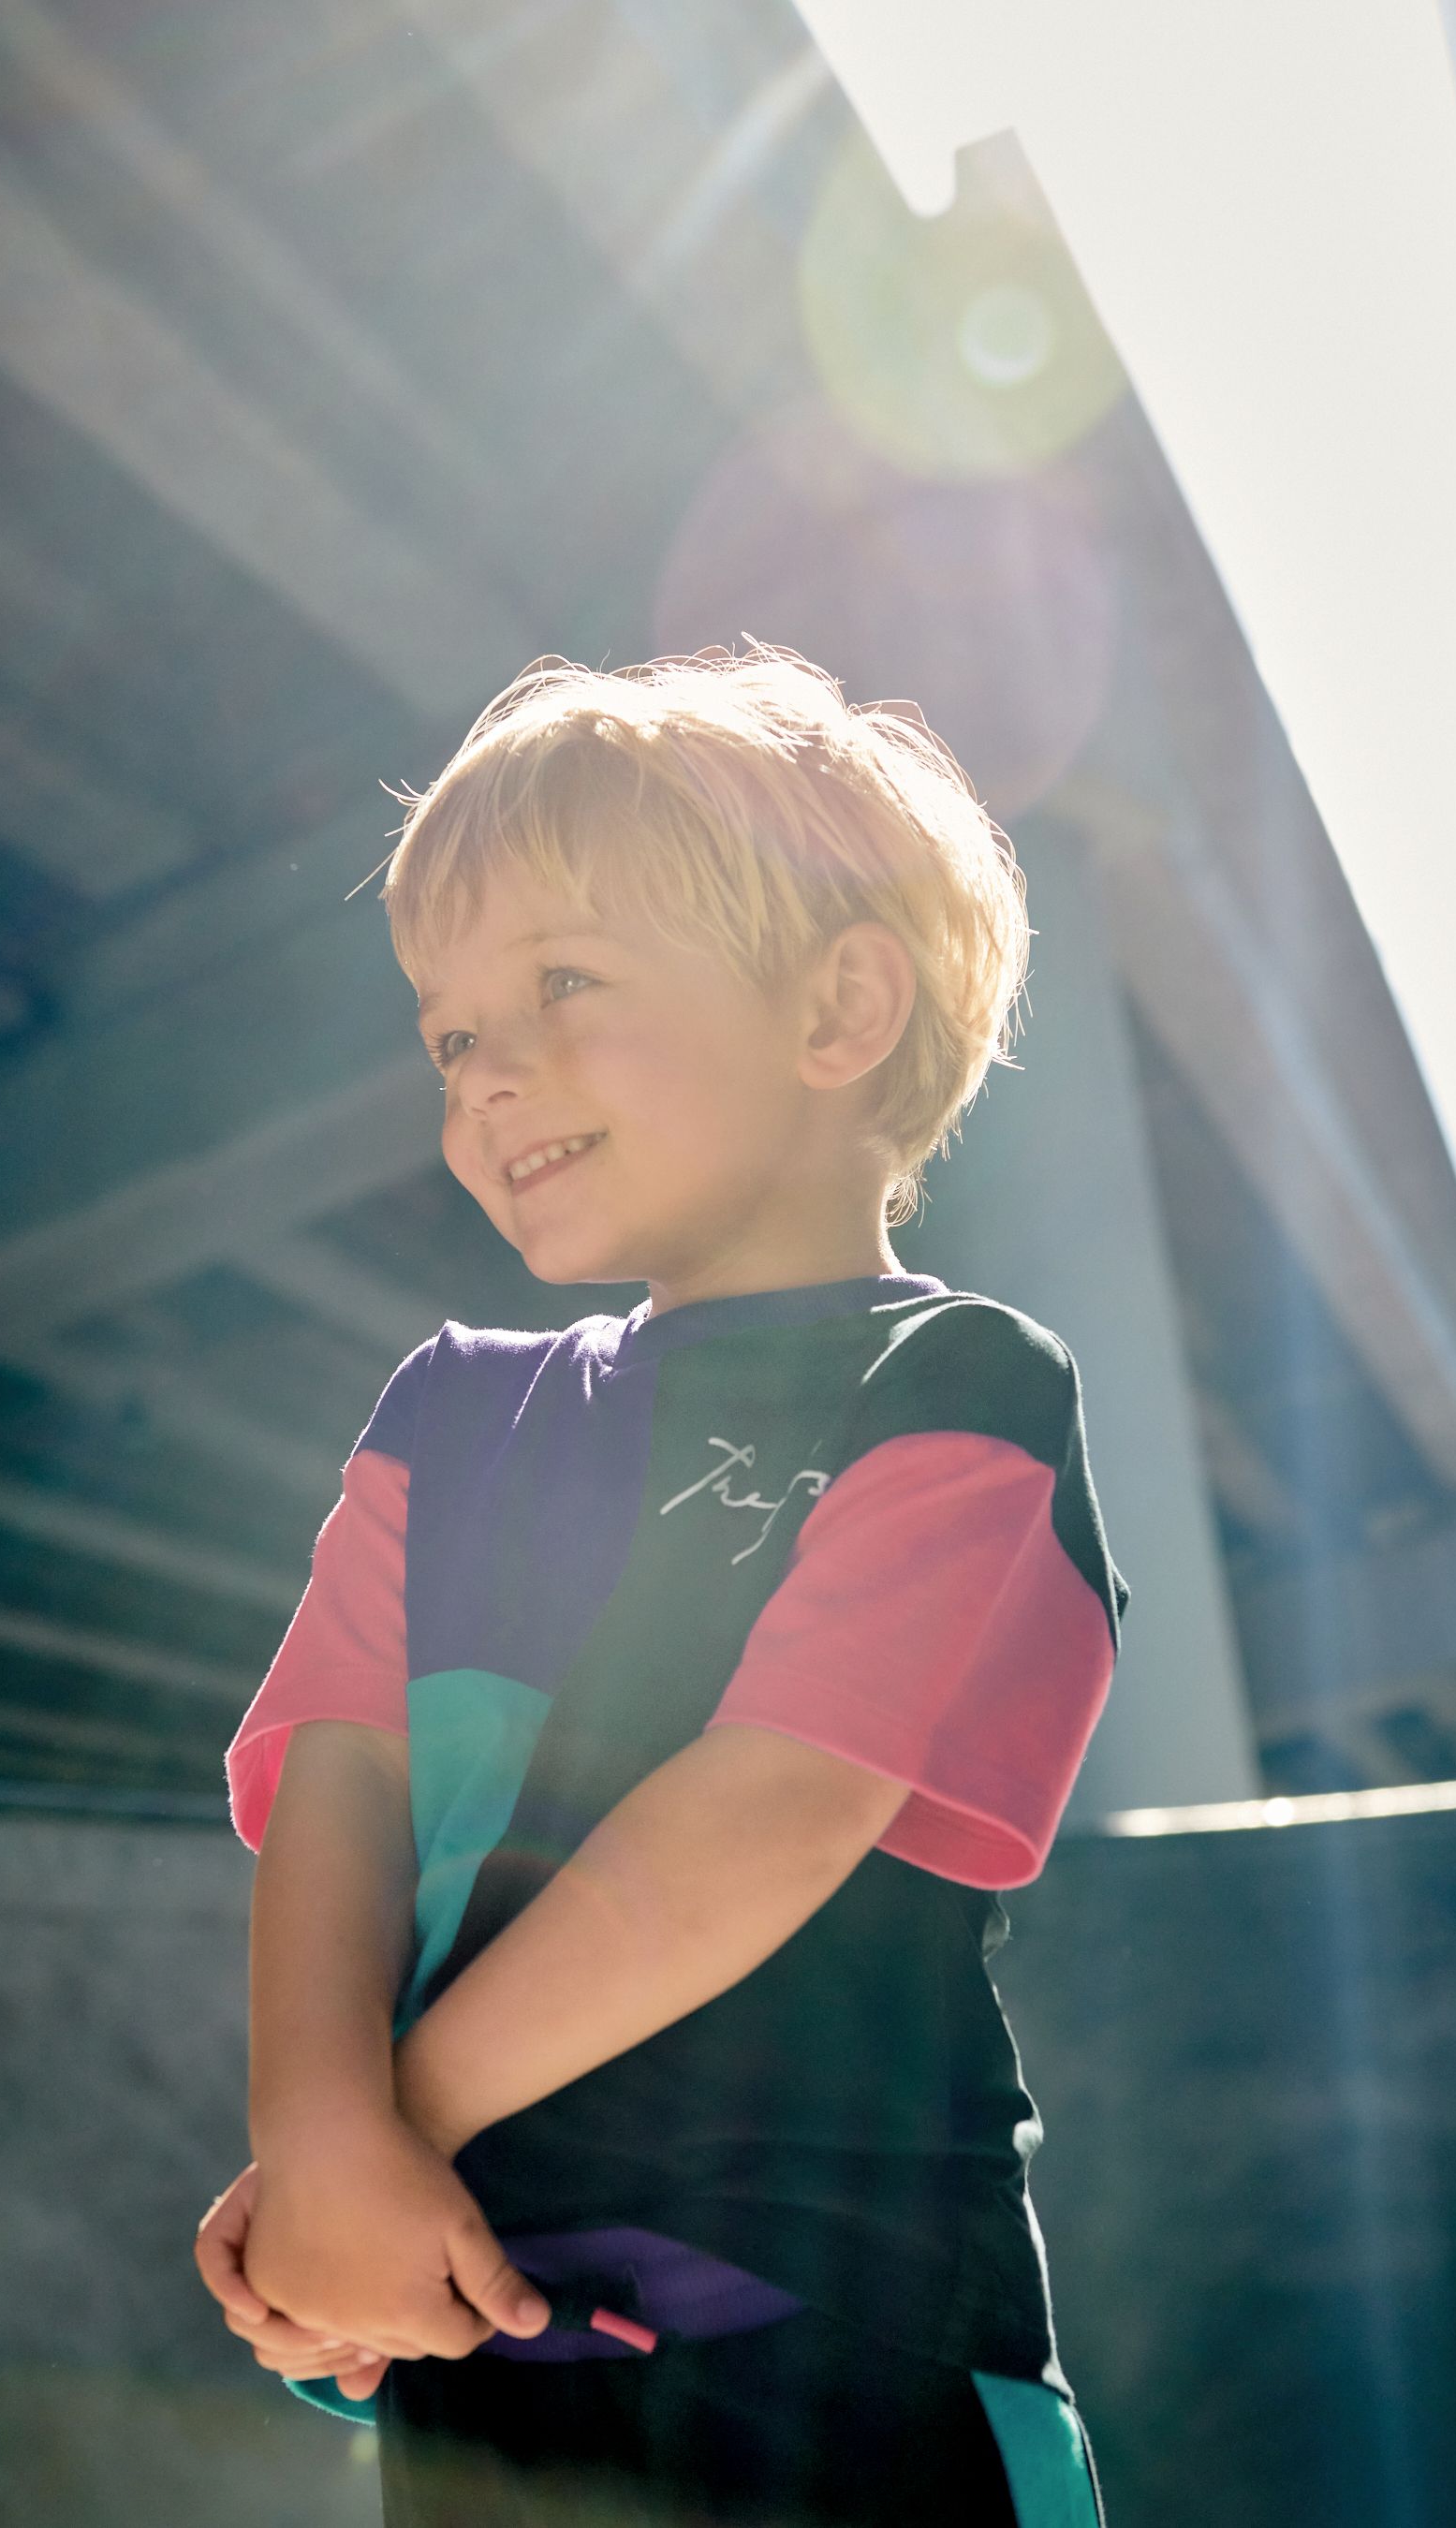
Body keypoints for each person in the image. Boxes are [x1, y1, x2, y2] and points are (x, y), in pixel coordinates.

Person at [194, 645, 1126, 2526]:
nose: (487, 1073)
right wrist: (311, 2139)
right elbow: (335, 1783)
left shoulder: (956, 1389)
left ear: (839, 1005)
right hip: (478, 2374)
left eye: (561, 984)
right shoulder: (443, 1412)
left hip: (841, 2344)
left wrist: (390, 2137)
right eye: (452, 1034)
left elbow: (779, 1801)